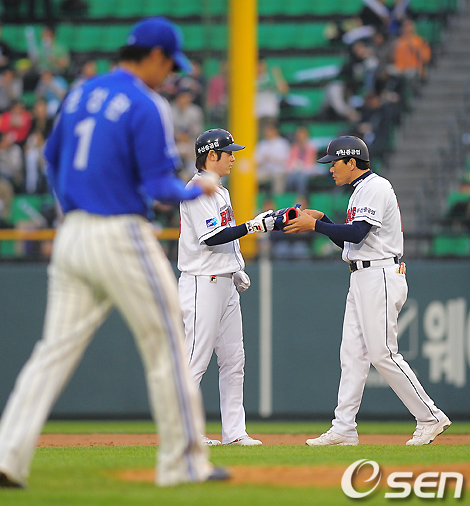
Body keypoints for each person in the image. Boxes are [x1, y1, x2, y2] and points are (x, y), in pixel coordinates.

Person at [0, 16, 228, 489]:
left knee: (51, 352)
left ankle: (6, 455)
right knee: (167, 345)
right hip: (120, 234)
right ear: (156, 56)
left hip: (71, 234)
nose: (169, 76)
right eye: (169, 66)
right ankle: (183, 464)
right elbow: (159, 186)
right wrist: (195, 189)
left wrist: (77, 204)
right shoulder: (147, 103)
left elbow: (51, 158)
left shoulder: (80, 93)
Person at [285, 136, 451, 446]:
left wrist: (315, 226)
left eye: (334, 162)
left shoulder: (375, 186)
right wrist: (325, 221)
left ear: (351, 162)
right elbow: (351, 240)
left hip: (380, 274)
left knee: (382, 353)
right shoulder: (361, 189)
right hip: (362, 275)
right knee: (352, 355)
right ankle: (344, 428)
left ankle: (430, 416)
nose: (330, 168)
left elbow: (358, 232)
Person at [178, 128, 274, 446]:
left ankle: (234, 433)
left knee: (234, 360)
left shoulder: (220, 190)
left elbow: (223, 238)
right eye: (228, 152)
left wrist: (235, 269)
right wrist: (254, 225)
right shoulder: (197, 188)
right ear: (211, 155)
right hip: (201, 282)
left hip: (223, 282)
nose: (233, 158)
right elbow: (211, 237)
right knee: (195, 359)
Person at [255, 122, 290, 195]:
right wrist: (263, 160)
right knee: (252, 176)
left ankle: (277, 197)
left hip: (279, 170)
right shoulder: (262, 144)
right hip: (265, 170)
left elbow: (285, 159)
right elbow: (256, 160)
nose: (267, 133)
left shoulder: (282, 143)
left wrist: (272, 157)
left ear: (274, 131)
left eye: (269, 130)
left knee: (278, 176)